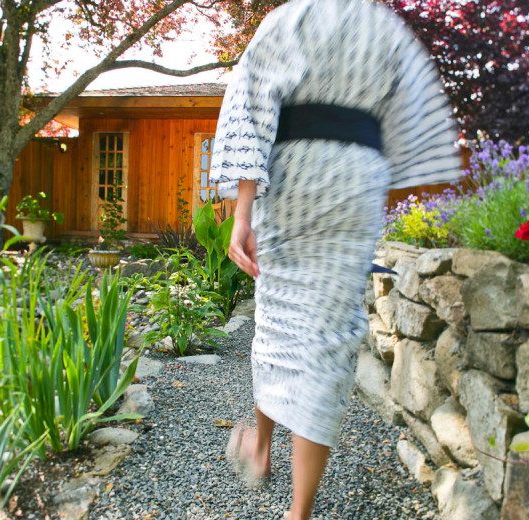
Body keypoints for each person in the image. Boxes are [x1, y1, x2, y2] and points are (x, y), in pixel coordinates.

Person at [211, 1, 461, 519]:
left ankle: (260, 447)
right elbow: (410, 120)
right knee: (327, 338)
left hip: (295, 170)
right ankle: (299, 513)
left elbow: (253, 107)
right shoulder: (383, 26)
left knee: (278, 317)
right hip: (356, 179)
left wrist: (242, 213)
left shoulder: (289, 18)